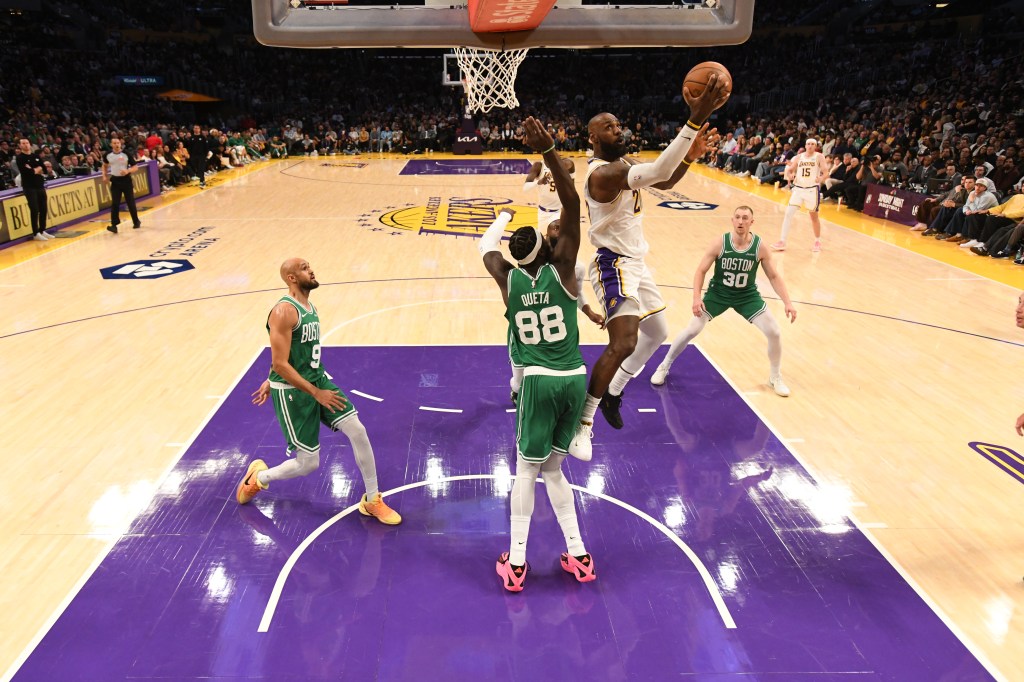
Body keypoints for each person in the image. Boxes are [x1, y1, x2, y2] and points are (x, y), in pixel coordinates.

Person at [573, 74, 728, 454]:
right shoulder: (602, 174)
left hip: (636, 263)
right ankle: (583, 422)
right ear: (594, 138)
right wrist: (693, 122)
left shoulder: (623, 163)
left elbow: (664, 178)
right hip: (612, 265)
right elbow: (659, 171)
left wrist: (690, 157)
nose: (617, 129)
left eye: (618, 124)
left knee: (657, 332)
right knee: (624, 341)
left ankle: (613, 392)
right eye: (608, 127)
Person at [478, 116, 594, 592]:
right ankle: (579, 555)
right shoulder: (564, 269)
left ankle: (519, 563)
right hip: (574, 377)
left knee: (526, 471)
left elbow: (487, 247)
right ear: (547, 247)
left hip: (538, 382)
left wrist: (502, 220)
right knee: (553, 469)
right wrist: (549, 150)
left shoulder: (507, 280)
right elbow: (570, 202)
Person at [237, 259, 401, 526]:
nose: (311, 270)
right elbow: (280, 362)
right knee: (308, 464)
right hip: (294, 393)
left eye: (309, 266)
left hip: (317, 380)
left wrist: (280, 380)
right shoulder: (283, 311)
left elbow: (289, 353)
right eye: (304, 268)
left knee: (358, 431)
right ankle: (259, 478)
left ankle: (372, 500)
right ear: (291, 278)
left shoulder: (309, 307)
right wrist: (311, 391)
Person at [651, 205, 797, 396]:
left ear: (752, 222)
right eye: (737, 217)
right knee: (692, 329)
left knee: (775, 332)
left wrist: (788, 302)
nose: (741, 221)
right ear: (732, 220)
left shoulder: (759, 246)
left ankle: (775, 377)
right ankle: (664, 365)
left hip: (746, 296)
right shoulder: (720, 242)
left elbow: (774, 276)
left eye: (745, 218)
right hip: (718, 294)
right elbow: (700, 270)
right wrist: (696, 298)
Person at [772, 138, 828, 252]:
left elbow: (826, 172)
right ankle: (782, 241)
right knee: (788, 214)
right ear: (805, 145)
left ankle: (817, 241)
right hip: (798, 189)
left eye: (813, 144)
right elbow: (790, 169)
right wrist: (791, 174)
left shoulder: (819, 156)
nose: (810, 146)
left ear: (816, 146)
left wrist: (821, 178)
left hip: (812, 190)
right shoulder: (799, 157)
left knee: (814, 217)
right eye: (808, 144)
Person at [102, 138, 143, 233]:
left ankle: (136, 221)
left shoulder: (126, 153)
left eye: (118, 143)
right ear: (111, 144)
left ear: (120, 144)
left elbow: (135, 167)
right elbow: (104, 165)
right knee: (115, 203)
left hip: (126, 181)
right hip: (115, 181)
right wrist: (104, 175)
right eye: (114, 143)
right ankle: (114, 225)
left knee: (130, 202)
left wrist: (127, 171)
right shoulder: (107, 155)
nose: (116, 144)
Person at [523, 157, 576, 231]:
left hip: (558, 212)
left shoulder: (566, 164)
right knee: (542, 240)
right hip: (542, 212)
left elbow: (572, 189)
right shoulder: (538, 166)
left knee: (555, 237)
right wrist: (539, 182)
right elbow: (525, 188)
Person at [15, 138, 52, 241]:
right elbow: (26, 172)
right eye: (23, 143)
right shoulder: (20, 158)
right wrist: (37, 169)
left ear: (29, 144)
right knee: (34, 210)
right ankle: (35, 233)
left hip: (40, 185)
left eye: (27, 143)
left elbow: (44, 169)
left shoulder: (36, 156)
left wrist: (33, 169)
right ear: (20, 145)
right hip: (29, 187)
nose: (26, 145)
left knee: (43, 208)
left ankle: (42, 230)